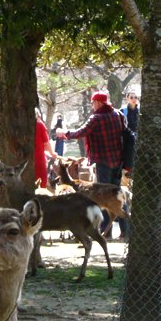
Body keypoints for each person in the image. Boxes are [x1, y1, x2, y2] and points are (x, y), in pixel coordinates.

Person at [57, 91, 128, 235]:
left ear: (98, 102)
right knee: (116, 193)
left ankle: (105, 231)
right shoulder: (118, 115)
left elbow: (80, 133)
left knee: (103, 196)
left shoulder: (96, 118)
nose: (92, 105)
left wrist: (64, 133)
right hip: (118, 161)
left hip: (103, 162)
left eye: (93, 102)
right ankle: (125, 231)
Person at [35, 114, 59, 188]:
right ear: (38, 116)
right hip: (38, 159)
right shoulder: (39, 124)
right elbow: (46, 143)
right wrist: (52, 153)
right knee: (41, 184)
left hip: (25, 160)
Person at [121, 91, 139, 171]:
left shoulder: (140, 111)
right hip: (126, 139)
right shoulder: (123, 111)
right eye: (131, 97)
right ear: (127, 99)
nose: (134, 99)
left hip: (137, 138)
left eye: (135, 97)